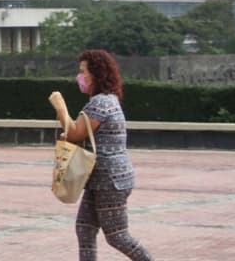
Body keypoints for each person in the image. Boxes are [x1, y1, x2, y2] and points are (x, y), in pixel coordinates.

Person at [49, 49, 155, 261]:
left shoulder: (101, 103)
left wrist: (59, 106)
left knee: (117, 236)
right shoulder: (105, 100)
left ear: (96, 74)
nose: (79, 77)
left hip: (110, 180)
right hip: (100, 179)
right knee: (85, 227)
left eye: (83, 72)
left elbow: (75, 133)